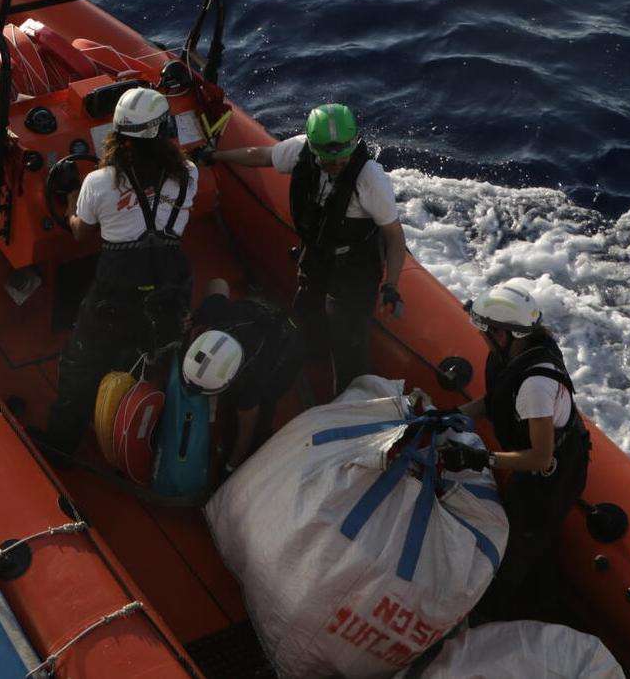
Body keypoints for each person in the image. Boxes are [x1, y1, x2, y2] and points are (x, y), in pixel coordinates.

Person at [41, 87, 198, 454]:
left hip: (119, 291)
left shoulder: (98, 182)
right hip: (171, 286)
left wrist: (68, 203)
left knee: (81, 364)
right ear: (164, 131)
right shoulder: (190, 173)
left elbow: (80, 231)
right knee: (157, 348)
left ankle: (62, 447)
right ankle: (152, 433)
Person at [213, 103, 407, 395]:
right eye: (329, 160)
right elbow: (262, 156)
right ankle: (311, 366)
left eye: (343, 157)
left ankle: (347, 398)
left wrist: (391, 284)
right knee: (305, 318)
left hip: (353, 270)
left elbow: (393, 235)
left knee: (348, 341)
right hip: (316, 259)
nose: (337, 165)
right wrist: (215, 156)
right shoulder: (300, 151)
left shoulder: (370, 180)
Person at [441, 280, 591, 621]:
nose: (481, 337)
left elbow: (541, 457)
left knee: (520, 545)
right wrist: (451, 417)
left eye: (485, 330)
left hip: (553, 475)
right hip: (536, 461)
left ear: (504, 333)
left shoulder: (535, 386)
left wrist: (479, 458)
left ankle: (496, 612)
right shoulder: (512, 356)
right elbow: (494, 402)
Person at [183, 278, 303, 468]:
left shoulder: (252, 380)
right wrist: (194, 318)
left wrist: (232, 466)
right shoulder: (215, 313)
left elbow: (246, 428)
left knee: (260, 414)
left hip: (286, 348)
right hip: (254, 313)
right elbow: (219, 283)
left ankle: (252, 451)